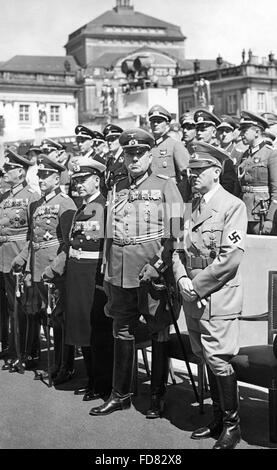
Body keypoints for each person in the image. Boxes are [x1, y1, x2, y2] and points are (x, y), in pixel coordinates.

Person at [89, 128, 183, 419]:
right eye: (129, 153)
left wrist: (160, 265)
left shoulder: (167, 185)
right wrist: (105, 267)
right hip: (119, 270)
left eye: (140, 153)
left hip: (151, 270)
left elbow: (181, 233)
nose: (134, 158)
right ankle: (121, 394)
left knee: (158, 330)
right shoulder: (116, 185)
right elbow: (108, 232)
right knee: (122, 329)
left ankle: (157, 395)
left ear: (150, 154)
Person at [172, 141, 247, 450]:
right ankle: (218, 418)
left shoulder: (233, 206)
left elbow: (230, 258)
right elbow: (176, 248)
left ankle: (233, 426)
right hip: (193, 295)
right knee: (203, 355)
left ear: (216, 172)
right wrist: (180, 279)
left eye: (199, 171)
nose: (193, 176)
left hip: (216, 296)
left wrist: (196, 285)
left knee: (218, 359)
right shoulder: (190, 206)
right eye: (191, 171)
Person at [44, 155, 114, 401]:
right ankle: (92, 378)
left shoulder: (105, 207)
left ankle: (103, 384)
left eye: (83, 179)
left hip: (94, 273)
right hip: (76, 272)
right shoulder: (81, 208)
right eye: (75, 180)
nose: (78, 185)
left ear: (97, 180)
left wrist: (102, 278)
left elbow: (108, 247)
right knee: (82, 327)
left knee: (98, 329)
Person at [12, 154, 77, 384]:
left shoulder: (66, 203)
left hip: (54, 272)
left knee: (59, 319)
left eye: (46, 175)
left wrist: (55, 268)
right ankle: (55, 362)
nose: (41, 179)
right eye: (39, 175)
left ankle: (64, 366)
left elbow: (69, 243)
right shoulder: (37, 204)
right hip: (38, 270)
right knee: (49, 319)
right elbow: (33, 239)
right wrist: (22, 259)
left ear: (57, 178)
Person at [0, 150, 40, 372]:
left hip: (20, 257)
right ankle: (15, 350)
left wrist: (24, 259)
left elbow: (35, 233)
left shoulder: (31, 196)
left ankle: (28, 352)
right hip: (4, 256)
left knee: (25, 307)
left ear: (20, 171)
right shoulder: (4, 197)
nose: (4, 172)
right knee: (11, 307)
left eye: (8, 169)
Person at [238, 110, 277, 235]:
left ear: (257, 132)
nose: (241, 134)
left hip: (260, 213)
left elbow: (276, 190)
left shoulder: (270, 154)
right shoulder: (245, 156)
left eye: (244, 131)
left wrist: (270, 218)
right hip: (244, 210)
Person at [194, 109, 238, 195]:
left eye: (203, 130)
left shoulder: (222, 156)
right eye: (197, 130)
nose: (199, 133)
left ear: (214, 132)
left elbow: (227, 187)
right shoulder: (193, 153)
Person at [148, 105, 189, 183]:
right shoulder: (148, 146)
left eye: (159, 121)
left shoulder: (175, 145)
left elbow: (185, 174)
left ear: (167, 124)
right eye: (153, 121)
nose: (155, 124)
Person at [103, 124, 127, 192]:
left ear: (121, 140)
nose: (109, 143)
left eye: (113, 139)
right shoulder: (109, 161)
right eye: (108, 140)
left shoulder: (126, 158)